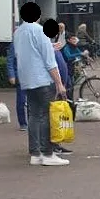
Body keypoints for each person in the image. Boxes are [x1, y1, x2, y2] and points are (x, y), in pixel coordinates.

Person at [13, 16, 69, 167]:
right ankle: (48, 153)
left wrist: (50, 47)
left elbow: (24, 54)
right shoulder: (40, 31)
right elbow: (49, 61)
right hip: (43, 80)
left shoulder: (18, 33)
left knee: (34, 115)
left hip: (28, 80)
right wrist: (59, 83)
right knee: (46, 116)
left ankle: (35, 154)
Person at [50, 40, 74, 156]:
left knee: (56, 117)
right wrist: (59, 84)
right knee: (52, 117)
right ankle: (52, 145)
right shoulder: (49, 48)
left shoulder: (53, 47)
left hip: (59, 86)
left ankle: (56, 144)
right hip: (53, 87)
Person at [6, 31, 28, 131]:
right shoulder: (14, 44)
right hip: (20, 76)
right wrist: (11, 75)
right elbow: (10, 60)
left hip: (31, 75)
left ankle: (33, 121)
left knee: (33, 100)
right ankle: (23, 123)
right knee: (21, 101)